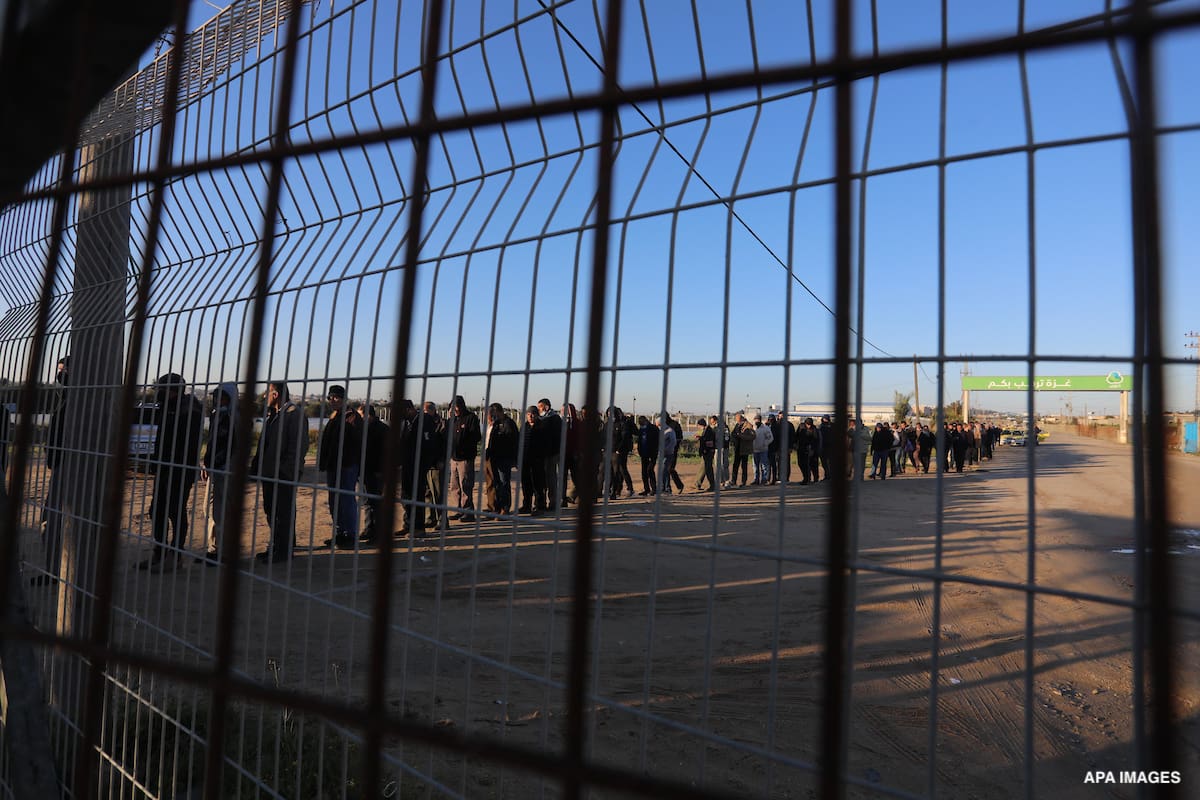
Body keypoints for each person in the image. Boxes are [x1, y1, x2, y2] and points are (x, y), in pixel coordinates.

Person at [138, 373, 203, 571]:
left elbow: (187, 443)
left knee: (175, 510)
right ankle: (160, 552)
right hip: (165, 467)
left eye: (162, 389)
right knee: (156, 510)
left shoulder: (189, 409)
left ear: (172, 390)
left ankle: (175, 555)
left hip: (180, 469)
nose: (158, 393)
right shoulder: (169, 408)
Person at [250, 381, 307, 563]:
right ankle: (276, 546)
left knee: (282, 512)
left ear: (275, 394)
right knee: (271, 511)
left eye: (267, 393)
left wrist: (285, 471)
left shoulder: (294, 414)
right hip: (269, 473)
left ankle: (283, 551)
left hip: (283, 475)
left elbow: (297, 447)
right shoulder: (274, 415)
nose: (264, 397)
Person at [34, 356, 69, 586]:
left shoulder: (75, 399)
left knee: (52, 519)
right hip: (63, 464)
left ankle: (57, 572)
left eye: (63, 370)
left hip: (67, 465)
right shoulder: (66, 397)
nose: (60, 374)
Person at [319, 385, 362, 549]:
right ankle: (340, 533)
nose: (332, 400)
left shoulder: (352, 417)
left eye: (336, 397)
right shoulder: (334, 417)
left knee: (346, 500)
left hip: (347, 465)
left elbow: (356, 443)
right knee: (334, 501)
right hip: (333, 465)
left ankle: (350, 535)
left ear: (344, 399)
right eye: (330, 397)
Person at [201, 382, 238, 564]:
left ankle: (219, 551)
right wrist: (206, 463)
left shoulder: (231, 417)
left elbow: (228, 447)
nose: (218, 400)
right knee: (209, 510)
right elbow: (212, 444)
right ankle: (213, 549)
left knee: (220, 512)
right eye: (217, 397)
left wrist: (214, 465)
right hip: (215, 469)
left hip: (224, 470)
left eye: (223, 397)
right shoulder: (218, 415)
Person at [358, 404, 389, 544]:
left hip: (377, 471)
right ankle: (369, 528)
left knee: (375, 503)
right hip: (366, 471)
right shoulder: (366, 428)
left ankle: (378, 534)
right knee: (366, 501)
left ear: (367, 415)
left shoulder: (382, 429)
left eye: (360, 416)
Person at [448, 396, 481, 523]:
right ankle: (458, 510)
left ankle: (468, 512)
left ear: (461, 405)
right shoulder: (453, 420)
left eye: (455, 407)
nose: (454, 410)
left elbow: (476, 436)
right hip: (453, 458)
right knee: (454, 486)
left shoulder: (471, 418)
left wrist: (463, 444)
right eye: (452, 407)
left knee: (466, 485)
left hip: (465, 458)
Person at [484, 403, 518, 514]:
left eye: (494, 413)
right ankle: (496, 507)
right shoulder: (495, 424)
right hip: (494, 458)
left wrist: (514, 459)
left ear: (499, 412)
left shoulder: (509, 423)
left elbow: (514, 442)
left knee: (504, 483)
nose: (493, 416)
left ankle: (505, 507)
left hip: (505, 458)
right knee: (496, 484)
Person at [518, 406, 545, 515]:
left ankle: (539, 506)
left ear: (537, 415)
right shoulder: (524, 427)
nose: (530, 416)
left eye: (532, 414)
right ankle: (526, 505)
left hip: (537, 460)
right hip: (525, 460)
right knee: (526, 484)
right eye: (528, 414)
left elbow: (545, 444)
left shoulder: (542, 427)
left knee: (538, 484)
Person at [537, 399, 561, 509]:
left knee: (551, 478)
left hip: (551, 453)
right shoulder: (542, 418)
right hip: (542, 453)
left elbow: (556, 437)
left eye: (540, 407)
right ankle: (542, 502)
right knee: (542, 478)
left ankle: (553, 502)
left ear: (546, 407)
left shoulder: (555, 418)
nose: (539, 409)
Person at [727, 413, 755, 488]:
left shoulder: (748, 425)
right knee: (735, 465)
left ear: (741, 418)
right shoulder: (737, 425)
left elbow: (753, 436)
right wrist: (733, 438)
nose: (737, 421)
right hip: (737, 449)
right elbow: (733, 433)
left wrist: (741, 436)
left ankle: (744, 482)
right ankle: (733, 481)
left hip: (744, 449)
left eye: (738, 419)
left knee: (744, 466)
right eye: (736, 420)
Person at [693, 416, 717, 491]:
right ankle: (698, 483)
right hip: (707, 452)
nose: (699, 428)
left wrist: (705, 450)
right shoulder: (707, 430)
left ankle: (712, 485)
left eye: (699, 426)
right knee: (703, 468)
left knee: (708, 469)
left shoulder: (708, 431)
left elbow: (709, 442)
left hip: (708, 452)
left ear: (701, 425)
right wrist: (700, 437)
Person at [663, 412, 685, 493]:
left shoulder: (675, 425)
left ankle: (668, 488)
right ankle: (674, 486)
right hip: (664, 451)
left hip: (673, 451)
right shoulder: (663, 426)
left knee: (669, 469)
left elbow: (680, 438)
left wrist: (673, 443)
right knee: (667, 469)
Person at [637, 415, 658, 495]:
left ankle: (654, 489)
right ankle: (646, 489)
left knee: (650, 470)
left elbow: (657, 441)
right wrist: (639, 451)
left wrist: (654, 451)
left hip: (652, 453)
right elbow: (639, 441)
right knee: (644, 472)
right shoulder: (641, 429)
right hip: (643, 454)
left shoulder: (653, 428)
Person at [657, 414, 678, 494]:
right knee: (662, 471)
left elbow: (673, 442)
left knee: (665, 470)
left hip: (668, 454)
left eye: (658, 424)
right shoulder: (659, 430)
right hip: (660, 454)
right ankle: (663, 487)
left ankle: (667, 488)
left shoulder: (670, 431)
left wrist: (666, 450)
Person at [752, 414, 772, 485]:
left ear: (760, 420)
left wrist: (765, 444)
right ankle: (756, 479)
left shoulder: (765, 428)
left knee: (764, 465)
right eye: (755, 419)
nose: (756, 421)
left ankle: (764, 479)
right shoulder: (753, 428)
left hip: (763, 450)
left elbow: (770, 438)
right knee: (755, 466)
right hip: (754, 450)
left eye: (757, 419)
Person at [818, 414, 834, 480]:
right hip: (825, 446)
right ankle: (827, 476)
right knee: (825, 463)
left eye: (826, 419)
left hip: (828, 446)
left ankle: (829, 476)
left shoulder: (822, 426)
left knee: (828, 463)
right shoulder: (822, 426)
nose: (825, 420)